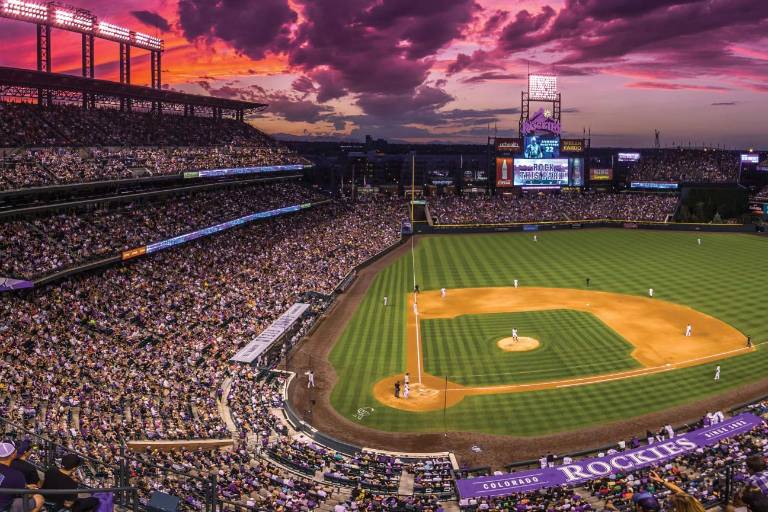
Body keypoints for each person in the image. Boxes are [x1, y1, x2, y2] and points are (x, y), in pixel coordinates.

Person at [0, 441, 43, 512]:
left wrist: (27, 486)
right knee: (39, 498)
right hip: (4, 507)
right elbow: (26, 495)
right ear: (12, 455)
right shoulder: (16, 475)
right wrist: (31, 490)